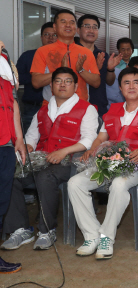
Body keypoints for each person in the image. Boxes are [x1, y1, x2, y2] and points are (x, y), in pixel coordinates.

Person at [68, 67, 138, 260]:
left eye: (136, 82)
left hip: (134, 165)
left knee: (119, 185)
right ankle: (91, 235)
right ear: (120, 88)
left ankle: (106, 238)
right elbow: (101, 137)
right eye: (126, 83)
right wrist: (92, 150)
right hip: (107, 164)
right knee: (75, 183)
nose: (131, 86)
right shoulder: (112, 111)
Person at [1, 67, 98, 251]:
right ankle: (20, 229)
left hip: (70, 162)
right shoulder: (43, 111)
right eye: (58, 81)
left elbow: (88, 140)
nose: (62, 85)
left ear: (76, 86)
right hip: (42, 159)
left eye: (68, 81)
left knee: (45, 177)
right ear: (51, 86)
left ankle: (47, 230)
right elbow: (31, 137)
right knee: (10, 175)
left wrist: (64, 152)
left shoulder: (87, 109)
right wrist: (28, 146)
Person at [31, 9, 100, 103]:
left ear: (75, 28)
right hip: (52, 108)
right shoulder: (43, 51)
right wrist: (60, 69)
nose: (68, 25)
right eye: (63, 22)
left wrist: (81, 70)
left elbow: (96, 83)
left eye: (72, 22)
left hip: (81, 107)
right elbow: (36, 82)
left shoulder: (86, 52)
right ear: (55, 27)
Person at [0, 40, 26, 274]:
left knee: (1, 202)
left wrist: (19, 138)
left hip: (6, 145)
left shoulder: (5, 70)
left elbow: (13, 104)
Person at [76, 14, 121, 117]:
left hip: (99, 108)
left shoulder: (103, 55)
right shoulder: (72, 53)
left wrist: (110, 69)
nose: (91, 31)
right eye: (87, 27)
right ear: (78, 30)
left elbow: (109, 82)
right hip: (76, 108)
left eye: (95, 27)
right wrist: (94, 69)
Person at [16, 22, 55, 133]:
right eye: (47, 34)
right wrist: (37, 76)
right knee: (29, 142)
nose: (51, 38)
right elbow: (17, 79)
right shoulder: (28, 55)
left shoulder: (63, 56)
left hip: (55, 106)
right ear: (41, 37)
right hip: (32, 107)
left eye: (54, 35)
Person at [106, 38, 134, 106]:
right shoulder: (113, 65)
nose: (126, 52)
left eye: (128, 49)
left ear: (132, 50)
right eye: (123, 49)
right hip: (113, 103)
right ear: (118, 50)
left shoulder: (136, 65)